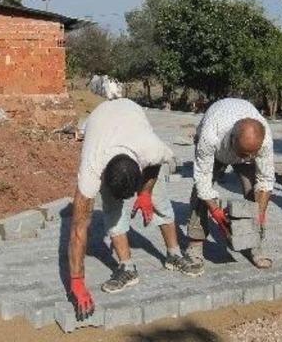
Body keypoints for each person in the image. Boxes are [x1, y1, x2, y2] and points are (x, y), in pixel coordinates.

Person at [67, 98, 202, 321]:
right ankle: (127, 267)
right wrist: (77, 282)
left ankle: (174, 255)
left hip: (131, 113)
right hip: (101, 120)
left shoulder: (151, 149)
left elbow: (156, 164)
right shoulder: (92, 168)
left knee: (162, 203)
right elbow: (78, 229)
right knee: (113, 215)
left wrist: (146, 193)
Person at [186, 98, 275, 271]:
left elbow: (265, 180)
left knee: (254, 193)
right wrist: (215, 210)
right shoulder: (210, 135)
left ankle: (254, 242)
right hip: (217, 149)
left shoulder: (264, 141)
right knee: (199, 195)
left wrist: (260, 213)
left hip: (241, 140)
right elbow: (202, 180)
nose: (246, 159)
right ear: (232, 138)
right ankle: (195, 244)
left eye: (252, 154)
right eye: (243, 153)